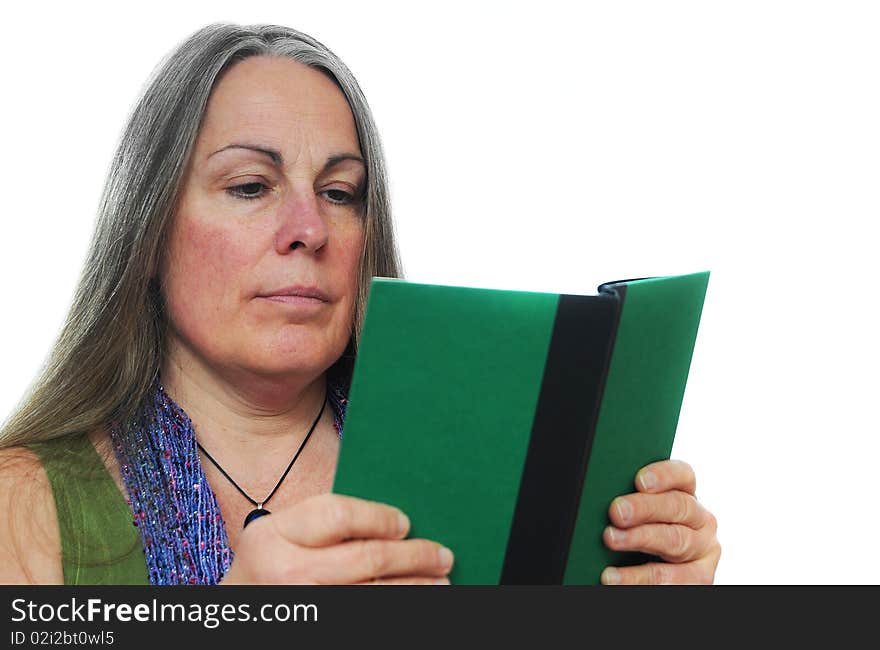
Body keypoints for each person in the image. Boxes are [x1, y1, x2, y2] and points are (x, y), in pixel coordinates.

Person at [0, 22, 720, 585]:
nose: (309, 229)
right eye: (251, 186)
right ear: (149, 230)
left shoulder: (480, 467)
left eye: (340, 193)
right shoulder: (23, 504)